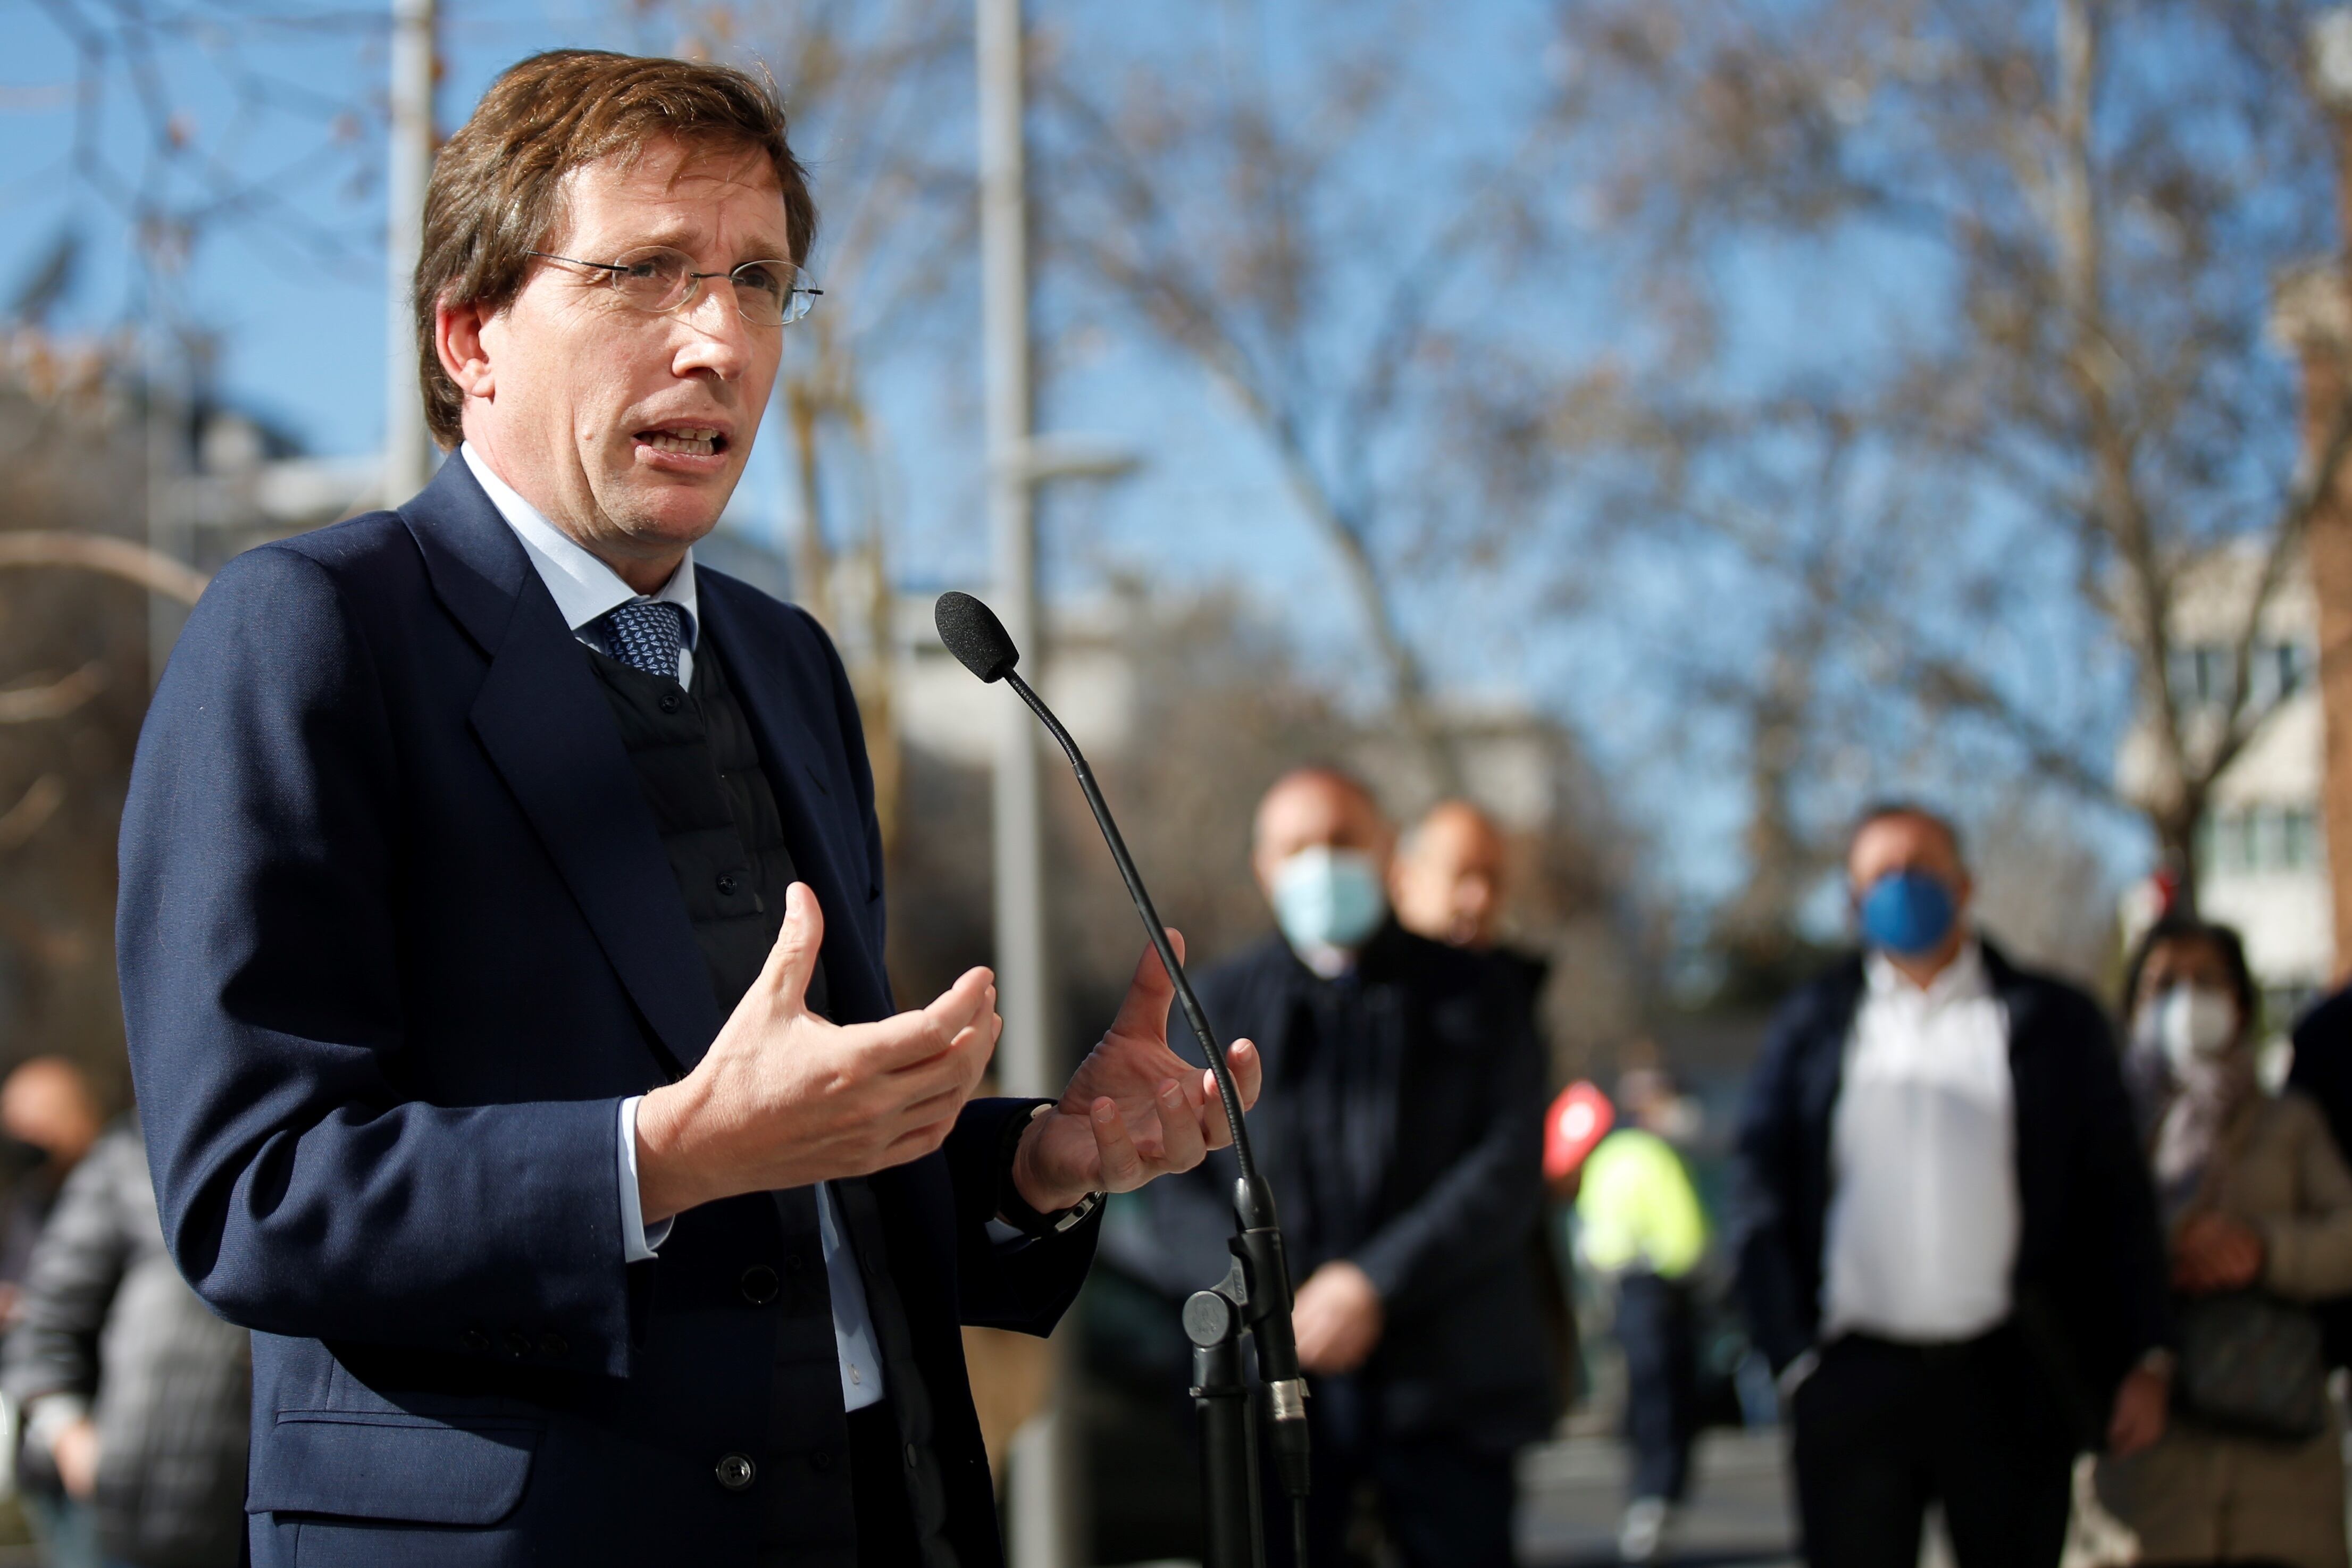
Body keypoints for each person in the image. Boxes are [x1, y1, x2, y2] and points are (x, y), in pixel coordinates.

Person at [114, 51, 1260, 1568]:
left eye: (759, 280)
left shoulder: (788, 662)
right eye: (646, 273)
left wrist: (1032, 1162)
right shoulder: (310, 630)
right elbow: (253, 1192)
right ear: (472, 334)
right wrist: (655, 1155)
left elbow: (802, 1172)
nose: (718, 339)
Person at [1114, 768, 1552, 1568]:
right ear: (1262, 866)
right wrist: (1274, 1303)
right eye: (1297, 847)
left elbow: (1503, 1170)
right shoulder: (1212, 1004)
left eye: (1342, 842)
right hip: (1270, 1390)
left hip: (1446, 1389)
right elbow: (1173, 1188)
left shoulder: (1482, 997)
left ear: (1387, 851)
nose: (1321, 864)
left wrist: (1371, 1283)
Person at [1733, 802, 2171, 1568]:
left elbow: (2115, 1198)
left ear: (1964, 884)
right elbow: (1759, 1191)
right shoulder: (1810, 1025)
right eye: (1879, 875)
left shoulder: (2053, 1021)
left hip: (2007, 1376)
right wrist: (1791, 1357)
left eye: (1921, 867)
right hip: (1852, 1381)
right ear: (1851, 900)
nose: (1902, 887)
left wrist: (2143, 1352)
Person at [2094, 917, 2352, 1568]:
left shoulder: (2290, 1122)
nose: (2185, 999)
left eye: (2205, 980)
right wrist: (2164, 1255)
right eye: (2163, 983)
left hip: (2279, 1455)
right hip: (2145, 1460)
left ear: (2240, 1001)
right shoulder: (2101, 1125)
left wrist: (2261, 1249)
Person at [2, 1114, 249, 1568]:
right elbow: (48, 1318)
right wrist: (71, 1438)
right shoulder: (132, 1154)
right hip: (138, 1505)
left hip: (269, 1508)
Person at [1575, 1069, 1709, 1565]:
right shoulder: (1654, 1154)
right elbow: (1686, 1238)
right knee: (1666, 1402)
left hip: (1623, 1292)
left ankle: (1645, 1500)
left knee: (1642, 1399)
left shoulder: (1607, 1155)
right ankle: (1657, 1501)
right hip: (1660, 1289)